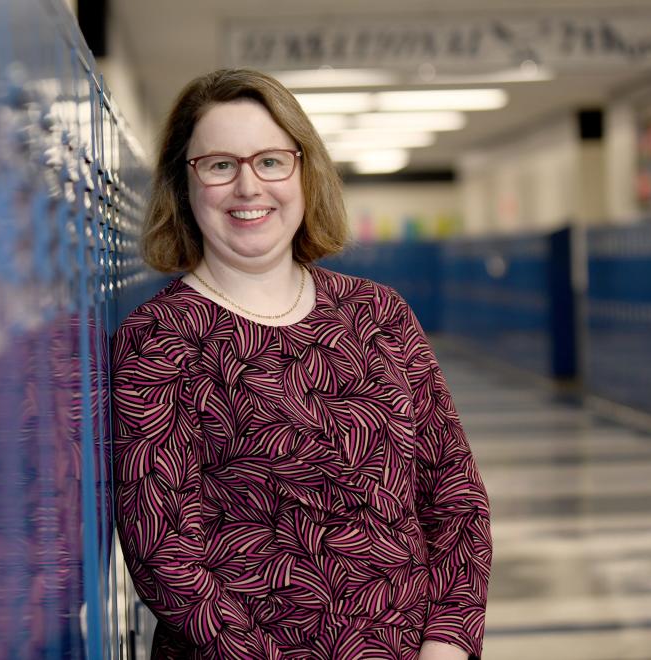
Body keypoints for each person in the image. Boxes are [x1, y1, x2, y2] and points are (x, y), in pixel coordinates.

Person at [110, 68, 491, 660]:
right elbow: (165, 552)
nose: (247, 186)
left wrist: (446, 645)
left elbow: (456, 498)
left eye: (270, 161)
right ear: (183, 185)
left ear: (304, 172)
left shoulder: (378, 314)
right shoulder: (158, 340)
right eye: (219, 165)